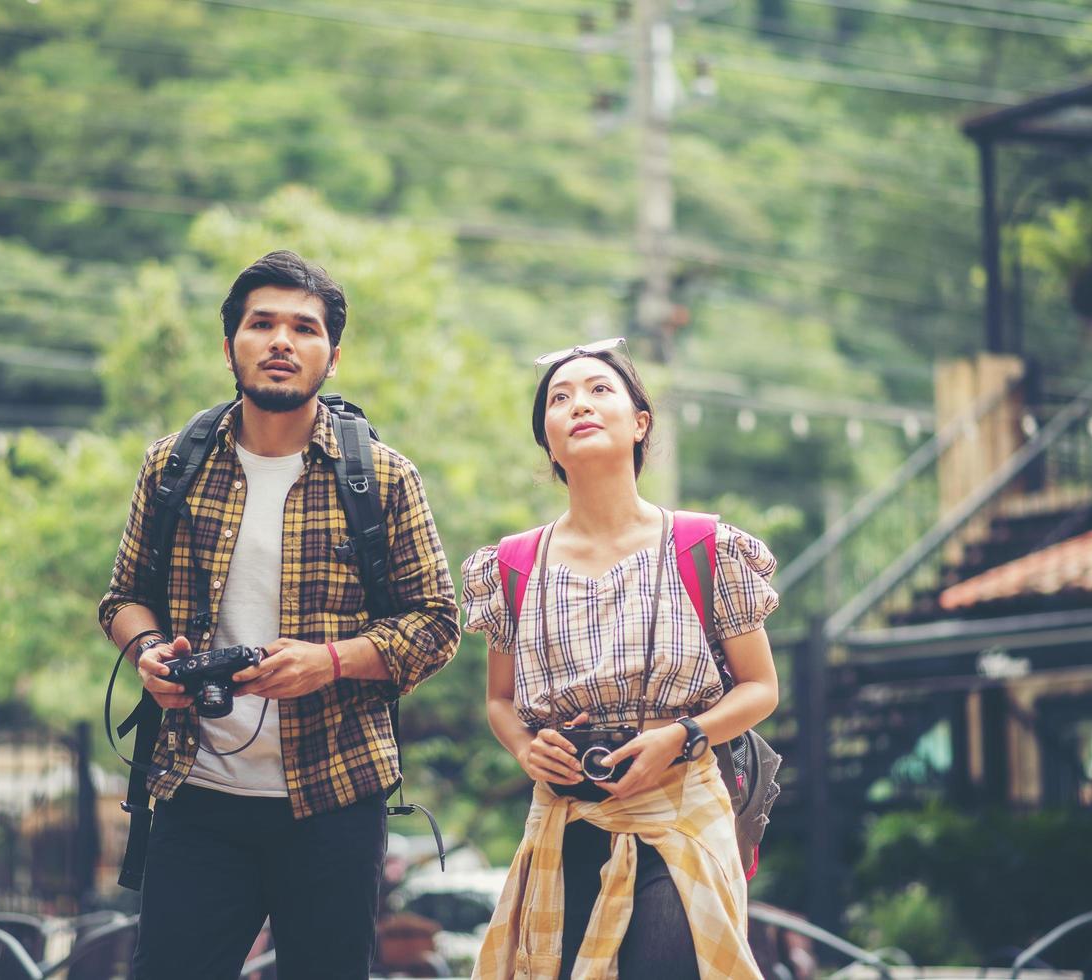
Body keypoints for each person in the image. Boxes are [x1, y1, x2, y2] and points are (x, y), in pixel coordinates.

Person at [99, 250, 460, 980]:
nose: (281, 341)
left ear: (331, 355)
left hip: (334, 797)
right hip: (194, 791)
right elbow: (122, 596)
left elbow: (436, 623)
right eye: (261, 323)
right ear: (229, 341)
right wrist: (146, 651)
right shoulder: (173, 466)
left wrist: (328, 661)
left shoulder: (382, 477)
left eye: (305, 327)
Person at [461, 339, 780, 980]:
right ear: (548, 443)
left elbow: (760, 689)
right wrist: (527, 751)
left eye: (600, 389)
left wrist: (679, 737)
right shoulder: (512, 566)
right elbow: (499, 700)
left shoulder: (706, 548)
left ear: (640, 423)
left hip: (681, 809)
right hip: (565, 819)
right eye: (559, 398)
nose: (578, 404)